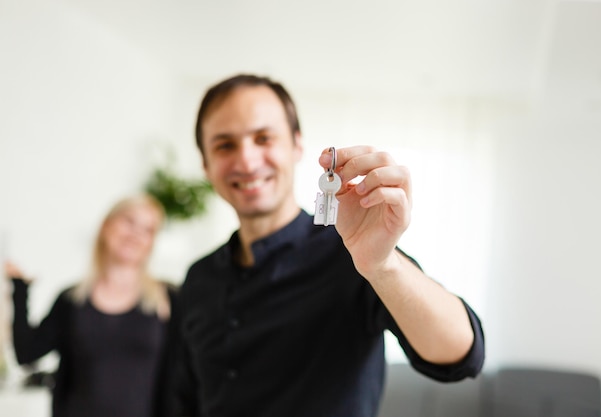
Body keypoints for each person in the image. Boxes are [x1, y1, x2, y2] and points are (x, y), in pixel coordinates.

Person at [168, 74, 485, 417]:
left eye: (263, 138)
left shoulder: (353, 252)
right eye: (225, 145)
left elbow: (461, 354)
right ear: (206, 164)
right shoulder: (198, 278)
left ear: (296, 146)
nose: (246, 161)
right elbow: (183, 398)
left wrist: (382, 266)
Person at [5, 194, 177, 417]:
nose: (136, 234)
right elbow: (26, 354)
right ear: (106, 226)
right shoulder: (71, 301)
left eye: (148, 230)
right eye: (129, 222)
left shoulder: (169, 299)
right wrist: (19, 292)